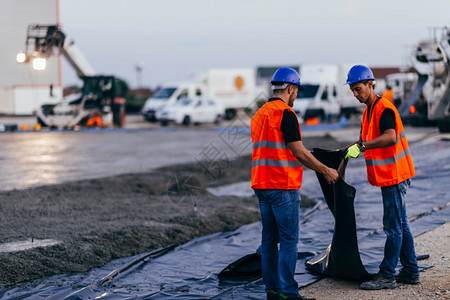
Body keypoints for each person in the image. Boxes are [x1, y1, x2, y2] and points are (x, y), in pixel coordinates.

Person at [251, 67, 339, 300]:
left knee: (269, 240)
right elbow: (298, 151)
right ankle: (289, 293)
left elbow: (274, 147)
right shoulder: (285, 113)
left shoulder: (260, 114)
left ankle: (272, 289)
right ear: (290, 88)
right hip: (282, 186)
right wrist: (325, 169)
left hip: (261, 185)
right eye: (296, 91)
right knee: (289, 240)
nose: (296, 96)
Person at [343, 65, 419, 290]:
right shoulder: (369, 111)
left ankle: (387, 275)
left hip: (394, 176)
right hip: (390, 176)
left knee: (393, 227)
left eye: (358, 89)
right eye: (352, 91)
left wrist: (363, 146)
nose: (356, 94)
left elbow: (390, 138)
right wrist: (346, 152)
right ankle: (411, 270)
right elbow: (362, 141)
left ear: (370, 84)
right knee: (401, 224)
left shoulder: (383, 108)